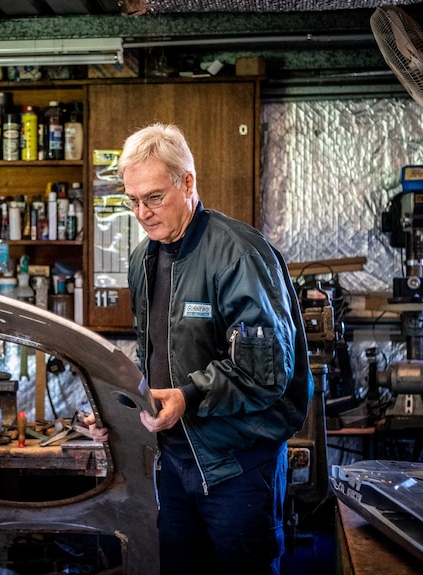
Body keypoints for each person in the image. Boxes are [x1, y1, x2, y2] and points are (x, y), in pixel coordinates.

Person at [108, 123, 312, 574]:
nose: (142, 212)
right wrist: (118, 412)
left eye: (154, 197)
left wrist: (189, 396)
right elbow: (153, 357)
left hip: (237, 466)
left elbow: (266, 372)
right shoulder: (144, 259)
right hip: (175, 462)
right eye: (133, 200)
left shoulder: (238, 253)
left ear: (188, 182)